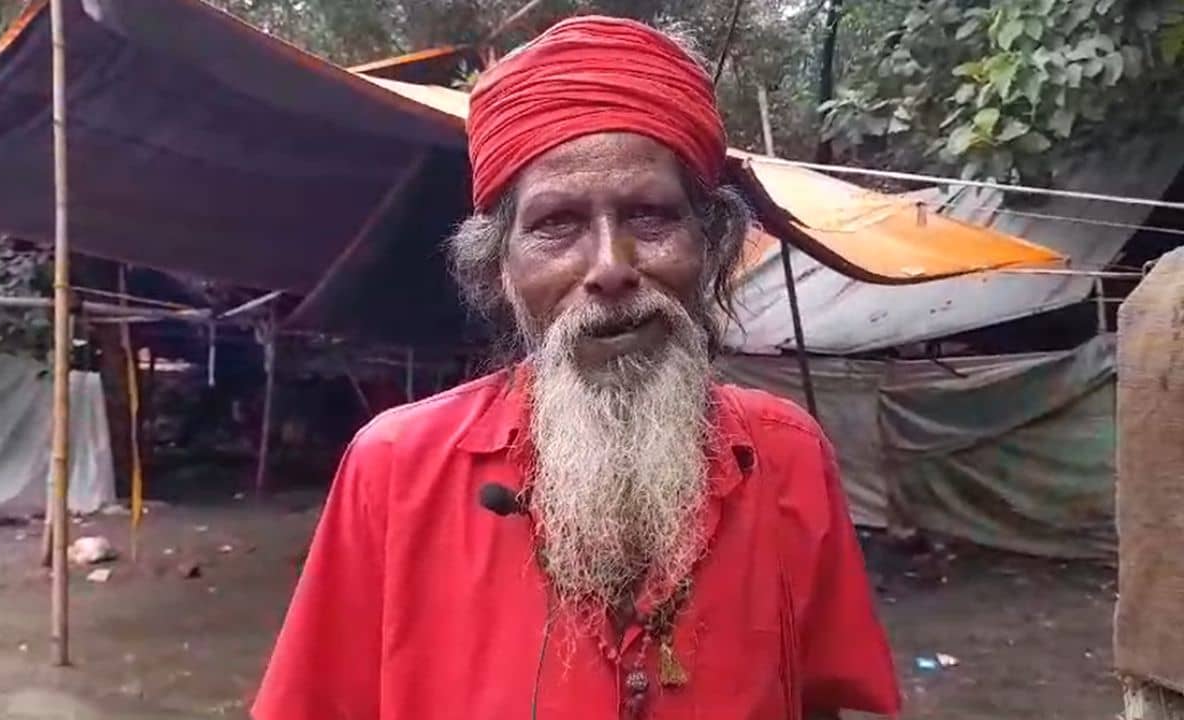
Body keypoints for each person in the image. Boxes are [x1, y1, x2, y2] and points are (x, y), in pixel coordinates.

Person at [253, 15, 900, 720]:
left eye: (650, 216)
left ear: (710, 245)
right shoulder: (395, 469)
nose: (610, 269)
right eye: (557, 225)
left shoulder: (788, 458)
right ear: (499, 269)